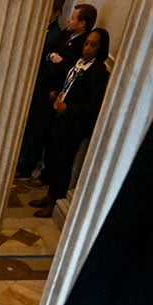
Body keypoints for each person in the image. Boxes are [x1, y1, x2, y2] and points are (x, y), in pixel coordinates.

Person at [35, 26, 112, 216]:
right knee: (54, 157)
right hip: (61, 120)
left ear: (100, 48)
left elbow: (94, 105)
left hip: (74, 126)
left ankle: (55, 200)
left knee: (63, 163)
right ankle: (50, 194)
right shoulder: (79, 63)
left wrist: (67, 108)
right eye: (86, 43)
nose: (87, 48)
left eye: (93, 45)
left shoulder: (97, 72)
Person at [17, 4, 96, 181]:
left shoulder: (80, 45)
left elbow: (64, 70)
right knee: (30, 125)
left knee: (39, 132)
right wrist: (51, 59)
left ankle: (26, 168)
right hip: (42, 86)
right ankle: (21, 161)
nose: (70, 19)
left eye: (74, 18)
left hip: (52, 93)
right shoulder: (66, 35)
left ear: (82, 23)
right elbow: (46, 52)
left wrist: (56, 63)